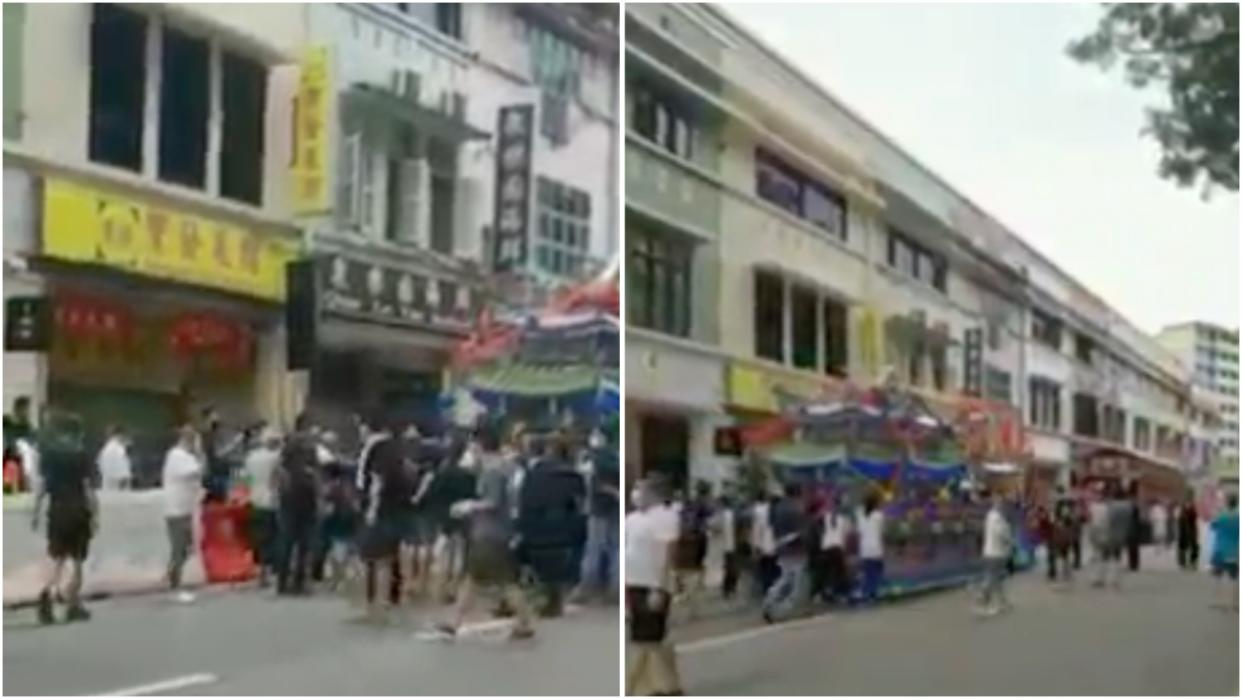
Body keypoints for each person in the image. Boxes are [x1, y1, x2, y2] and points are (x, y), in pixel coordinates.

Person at [436, 425, 534, 641]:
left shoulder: (492, 471)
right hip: (500, 531)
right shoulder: (508, 466)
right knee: (475, 578)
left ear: (480, 445)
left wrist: (467, 506)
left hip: (489, 532)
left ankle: (525, 621)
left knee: (503, 581)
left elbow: (492, 501)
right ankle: (455, 621)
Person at [31, 412, 98, 623]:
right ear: (78, 433)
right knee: (78, 559)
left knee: (57, 557)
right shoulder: (81, 455)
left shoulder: (49, 455)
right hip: (78, 509)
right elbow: (88, 488)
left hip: (56, 509)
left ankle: (47, 591)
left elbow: (41, 486)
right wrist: (95, 513)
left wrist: (35, 511)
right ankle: (73, 603)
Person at [624, 476, 683, 697]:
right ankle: (669, 685)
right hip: (633, 581)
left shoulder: (665, 518)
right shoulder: (632, 519)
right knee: (655, 639)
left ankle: (629, 688)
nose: (636, 495)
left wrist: (660, 586)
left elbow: (668, 555)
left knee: (644, 640)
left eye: (640, 490)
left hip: (651, 583)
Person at [359, 414, 413, 616]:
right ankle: (385, 600)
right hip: (394, 508)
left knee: (376, 558)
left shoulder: (378, 449)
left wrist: (372, 509)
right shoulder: (396, 448)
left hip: (380, 508)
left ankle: (376, 604)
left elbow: (377, 480)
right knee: (386, 556)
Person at [275, 414, 321, 596]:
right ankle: (299, 582)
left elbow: (280, 469)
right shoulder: (310, 448)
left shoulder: (287, 445)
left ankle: (282, 582)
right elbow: (316, 474)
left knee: (286, 541)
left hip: (288, 498)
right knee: (304, 543)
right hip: (306, 499)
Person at [573, 429, 620, 604]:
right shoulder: (616, 457)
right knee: (615, 548)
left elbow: (587, 479)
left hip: (599, 508)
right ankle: (615, 588)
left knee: (594, 548)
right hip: (614, 507)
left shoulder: (595, 458)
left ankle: (587, 587)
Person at [162, 425, 203, 604]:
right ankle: (175, 584)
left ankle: (172, 575)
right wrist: (200, 453)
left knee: (186, 547)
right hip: (176, 509)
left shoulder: (184, 456)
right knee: (179, 548)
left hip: (185, 508)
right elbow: (196, 471)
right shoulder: (177, 455)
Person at [762, 482, 811, 623]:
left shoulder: (778, 508)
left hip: (781, 547)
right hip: (797, 548)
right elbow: (804, 530)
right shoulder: (797, 508)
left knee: (784, 578)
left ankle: (769, 600)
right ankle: (784, 611)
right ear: (797, 493)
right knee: (797, 581)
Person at [243, 427, 281, 587]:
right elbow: (277, 478)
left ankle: (262, 573)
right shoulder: (276, 458)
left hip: (254, 499)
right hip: (272, 501)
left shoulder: (251, 457)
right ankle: (273, 572)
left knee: (260, 538)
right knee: (274, 537)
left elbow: (246, 480)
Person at [673, 480, 713, 619]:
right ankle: (690, 592)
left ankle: (684, 589)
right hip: (697, 538)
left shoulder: (689, 506)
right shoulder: (703, 504)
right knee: (695, 566)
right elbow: (708, 518)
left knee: (685, 566)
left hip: (686, 538)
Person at [975, 491, 1013, 617]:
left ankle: (1002, 601)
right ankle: (982, 602)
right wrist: (1009, 540)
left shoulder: (993, 516)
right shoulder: (996, 517)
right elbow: (1001, 533)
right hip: (995, 552)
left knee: (997, 578)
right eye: (1001, 504)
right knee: (991, 578)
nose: (1003, 506)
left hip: (993, 552)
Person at [820, 496, 852, 604]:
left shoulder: (827, 517)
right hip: (837, 547)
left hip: (826, 546)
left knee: (829, 571)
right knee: (841, 573)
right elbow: (847, 535)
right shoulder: (844, 519)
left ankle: (827, 592)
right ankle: (840, 594)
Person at [1209, 494, 1238, 611]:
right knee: (1234, 577)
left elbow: (1213, 526)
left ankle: (1218, 602)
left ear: (1227, 503)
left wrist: (1218, 512)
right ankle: (1234, 603)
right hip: (1234, 551)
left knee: (1218, 576)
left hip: (1220, 550)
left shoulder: (1221, 517)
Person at [857, 492, 886, 603]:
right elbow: (880, 533)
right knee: (876, 571)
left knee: (867, 572)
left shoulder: (860, 515)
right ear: (875, 504)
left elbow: (860, 531)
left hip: (864, 547)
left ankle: (866, 593)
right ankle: (873, 594)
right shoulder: (879, 516)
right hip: (876, 547)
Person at [751, 493, 778, 597]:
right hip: (775, 545)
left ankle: (767, 590)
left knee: (765, 569)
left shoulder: (759, 511)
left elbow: (757, 530)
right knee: (774, 569)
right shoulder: (773, 510)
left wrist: (756, 546)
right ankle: (773, 590)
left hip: (764, 546)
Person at [97, 426, 132, 491]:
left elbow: (99, 466)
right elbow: (123, 474)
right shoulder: (118, 449)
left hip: (107, 487)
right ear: (120, 435)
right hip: (119, 488)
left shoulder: (105, 449)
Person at [1177, 496, 1200, 570]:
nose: (1188, 504)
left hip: (1191, 530)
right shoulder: (1182, 511)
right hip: (1184, 531)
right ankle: (1183, 563)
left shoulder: (1192, 510)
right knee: (1183, 547)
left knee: (1194, 546)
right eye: (1187, 503)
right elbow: (1180, 521)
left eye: (1189, 503)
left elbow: (1195, 519)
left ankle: (1192, 562)